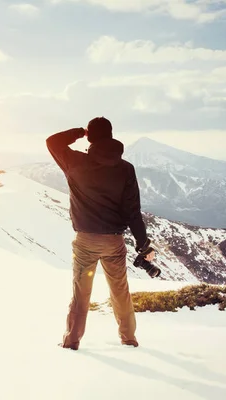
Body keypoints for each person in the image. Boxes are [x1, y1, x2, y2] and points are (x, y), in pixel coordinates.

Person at [46, 117, 155, 350]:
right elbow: (133, 211)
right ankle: (129, 339)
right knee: (120, 292)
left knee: (81, 293)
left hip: (85, 241)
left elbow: (52, 141)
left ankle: (72, 341)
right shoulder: (126, 169)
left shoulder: (75, 162)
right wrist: (143, 244)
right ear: (112, 136)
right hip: (114, 242)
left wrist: (79, 132)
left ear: (90, 137)